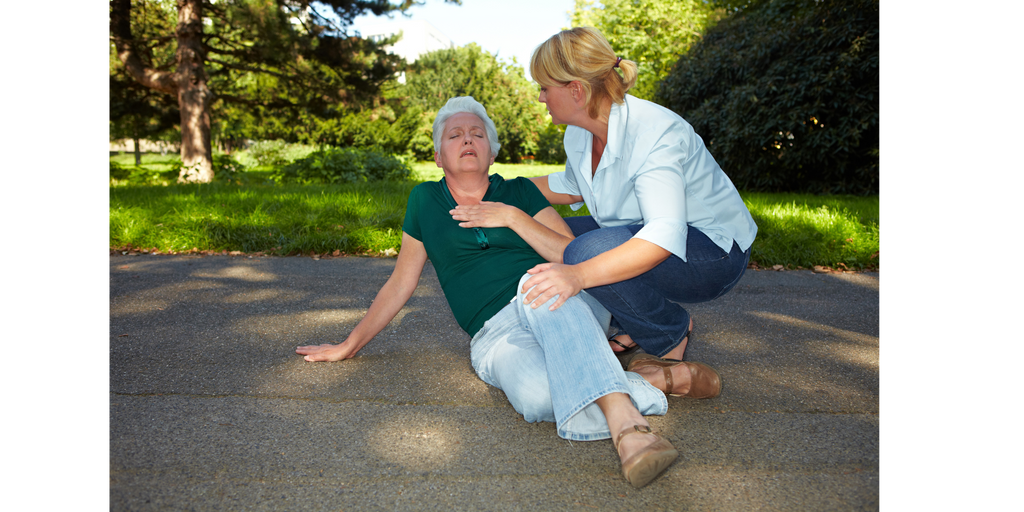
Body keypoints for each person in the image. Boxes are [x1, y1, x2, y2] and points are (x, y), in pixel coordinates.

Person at [296, 97, 720, 488]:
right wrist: (350, 344)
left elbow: (572, 256)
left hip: (559, 297)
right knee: (537, 398)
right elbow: (401, 282)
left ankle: (629, 429)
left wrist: (514, 218)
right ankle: (654, 379)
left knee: (537, 281)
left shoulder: (518, 192)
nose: (467, 139)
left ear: (492, 151)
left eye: (477, 133)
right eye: (455, 135)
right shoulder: (424, 200)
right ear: (438, 154)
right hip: (495, 335)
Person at [511, 27, 757, 370]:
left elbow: (662, 236)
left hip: (715, 252)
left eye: (543, 88)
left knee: (583, 252)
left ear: (576, 91)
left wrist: (578, 275)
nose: (540, 98)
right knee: (544, 233)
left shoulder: (654, 131)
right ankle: (633, 323)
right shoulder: (579, 133)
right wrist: (497, 190)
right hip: (654, 233)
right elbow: (570, 185)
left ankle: (669, 330)